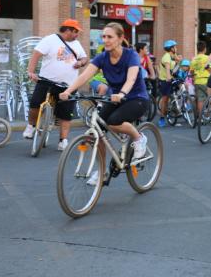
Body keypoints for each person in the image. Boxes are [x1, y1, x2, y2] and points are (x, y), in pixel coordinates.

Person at [59, 22, 150, 179]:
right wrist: (68, 91)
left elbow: (131, 78)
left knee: (114, 121)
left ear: (120, 38)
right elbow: (84, 76)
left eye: (110, 37)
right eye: (103, 37)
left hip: (137, 98)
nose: (105, 40)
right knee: (99, 128)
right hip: (115, 98)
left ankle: (139, 138)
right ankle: (102, 171)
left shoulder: (131, 55)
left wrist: (121, 93)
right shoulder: (102, 57)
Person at [23, 19, 88, 151]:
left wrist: (81, 63)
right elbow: (36, 55)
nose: (77, 35)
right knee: (35, 105)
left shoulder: (77, 44)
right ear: (68, 30)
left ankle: (63, 140)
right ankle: (30, 126)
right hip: (47, 81)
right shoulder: (50, 40)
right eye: (76, 32)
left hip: (68, 86)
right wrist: (31, 72)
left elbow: (85, 58)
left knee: (65, 114)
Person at [158, 40, 178, 127]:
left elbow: (177, 64)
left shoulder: (172, 56)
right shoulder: (166, 57)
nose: (176, 48)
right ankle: (162, 117)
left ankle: (177, 108)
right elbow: (167, 69)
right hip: (165, 80)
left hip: (172, 78)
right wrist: (169, 77)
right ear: (171, 48)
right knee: (165, 99)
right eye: (175, 47)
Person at [191, 41, 211, 117]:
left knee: (200, 100)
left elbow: (191, 71)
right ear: (205, 49)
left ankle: (201, 117)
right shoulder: (207, 58)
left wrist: (193, 79)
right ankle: (209, 115)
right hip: (207, 81)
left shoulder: (194, 59)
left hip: (197, 81)